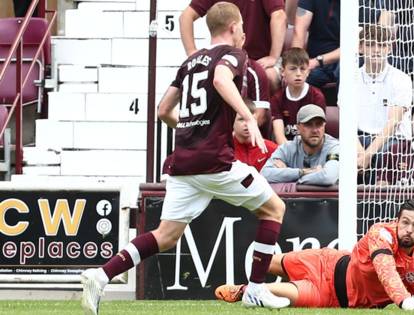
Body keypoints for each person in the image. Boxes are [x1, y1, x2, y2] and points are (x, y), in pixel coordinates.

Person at [80, 4, 290, 314]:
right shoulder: (233, 56)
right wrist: (246, 113)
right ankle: (256, 289)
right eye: (242, 27)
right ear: (233, 27)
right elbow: (221, 80)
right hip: (216, 163)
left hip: (184, 163)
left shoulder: (190, 61)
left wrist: (194, 125)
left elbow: (164, 110)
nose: (244, 33)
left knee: (165, 236)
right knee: (275, 208)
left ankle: (100, 275)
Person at [214, 200, 414, 310]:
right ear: (396, 221)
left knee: (276, 293)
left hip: (329, 296)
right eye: (405, 223)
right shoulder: (381, 232)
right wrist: (405, 302)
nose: (409, 230)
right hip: (328, 261)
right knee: (267, 262)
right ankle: (253, 281)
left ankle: (245, 290)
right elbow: (385, 270)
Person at [179, 0, 287, 90]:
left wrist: (273, 56)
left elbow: (279, 16)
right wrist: (191, 52)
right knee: (216, 77)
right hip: (226, 60)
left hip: (260, 60)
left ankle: (270, 114)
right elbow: (185, 17)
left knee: (269, 76)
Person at [356, 25, 413, 182]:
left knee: (386, 155)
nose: (376, 50)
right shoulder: (350, 77)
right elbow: (346, 121)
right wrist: (360, 152)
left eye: (381, 45)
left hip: (393, 140)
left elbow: (394, 122)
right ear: (360, 47)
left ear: (389, 48)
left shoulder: (401, 78)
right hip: (360, 139)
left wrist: (368, 154)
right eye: (370, 44)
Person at [261, 104, 339, 186]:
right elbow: (265, 174)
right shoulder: (288, 148)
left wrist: (295, 180)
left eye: (319, 124)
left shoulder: (334, 147)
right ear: (298, 128)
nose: (315, 130)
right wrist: (302, 172)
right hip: (293, 199)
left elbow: (328, 177)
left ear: (324, 126)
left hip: (327, 198)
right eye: (308, 124)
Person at [271, 47, 326, 145]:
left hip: (311, 148)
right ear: (282, 71)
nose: (298, 74)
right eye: (293, 69)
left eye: (302, 69)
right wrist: (290, 155)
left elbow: (317, 133)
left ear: (308, 72)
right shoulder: (277, 98)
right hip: (286, 149)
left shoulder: (317, 96)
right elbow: (279, 136)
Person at [291, 0, 340, 88]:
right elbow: (299, 31)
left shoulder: (361, 4)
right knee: (296, 76)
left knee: (346, 73)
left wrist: (317, 61)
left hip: (346, 61)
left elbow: (355, 45)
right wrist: (296, 64)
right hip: (314, 61)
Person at [234, 99, 278, 172]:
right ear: (232, 121)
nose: (247, 124)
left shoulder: (271, 149)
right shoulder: (224, 150)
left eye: (251, 119)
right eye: (241, 119)